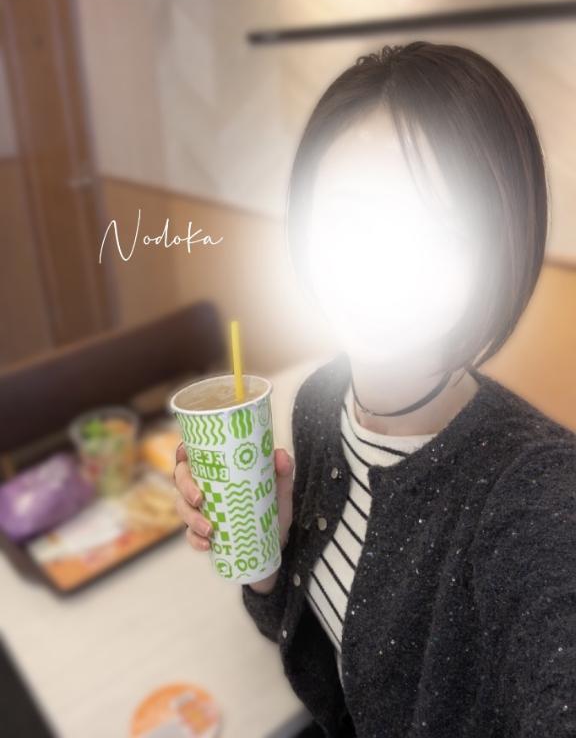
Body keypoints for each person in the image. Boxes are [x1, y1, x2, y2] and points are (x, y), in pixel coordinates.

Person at [173, 42, 576, 737]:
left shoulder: (536, 495)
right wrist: (268, 558)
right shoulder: (320, 402)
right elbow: (303, 638)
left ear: (500, 250)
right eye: (351, 218)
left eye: (441, 232)